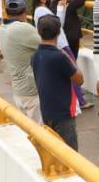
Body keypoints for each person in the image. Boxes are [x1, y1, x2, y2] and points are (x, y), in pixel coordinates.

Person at [31, 14, 85, 150]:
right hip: (63, 113)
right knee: (70, 154)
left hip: (46, 111)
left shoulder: (35, 56)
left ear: (38, 31)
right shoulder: (60, 57)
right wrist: (69, 58)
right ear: (59, 32)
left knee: (54, 150)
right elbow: (80, 79)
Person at [0, 0, 43, 123]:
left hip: (18, 89)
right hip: (32, 91)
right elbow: (48, 46)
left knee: (28, 131)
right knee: (40, 135)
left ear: (6, 11)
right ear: (25, 10)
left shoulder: (2, 28)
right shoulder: (24, 29)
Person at [54, 0, 91, 110]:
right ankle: (80, 100)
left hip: (58, 41)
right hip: (70, 40)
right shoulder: (67, 4)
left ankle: (72, 96)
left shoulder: (51, 3)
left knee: (66, 68)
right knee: (73, 69)